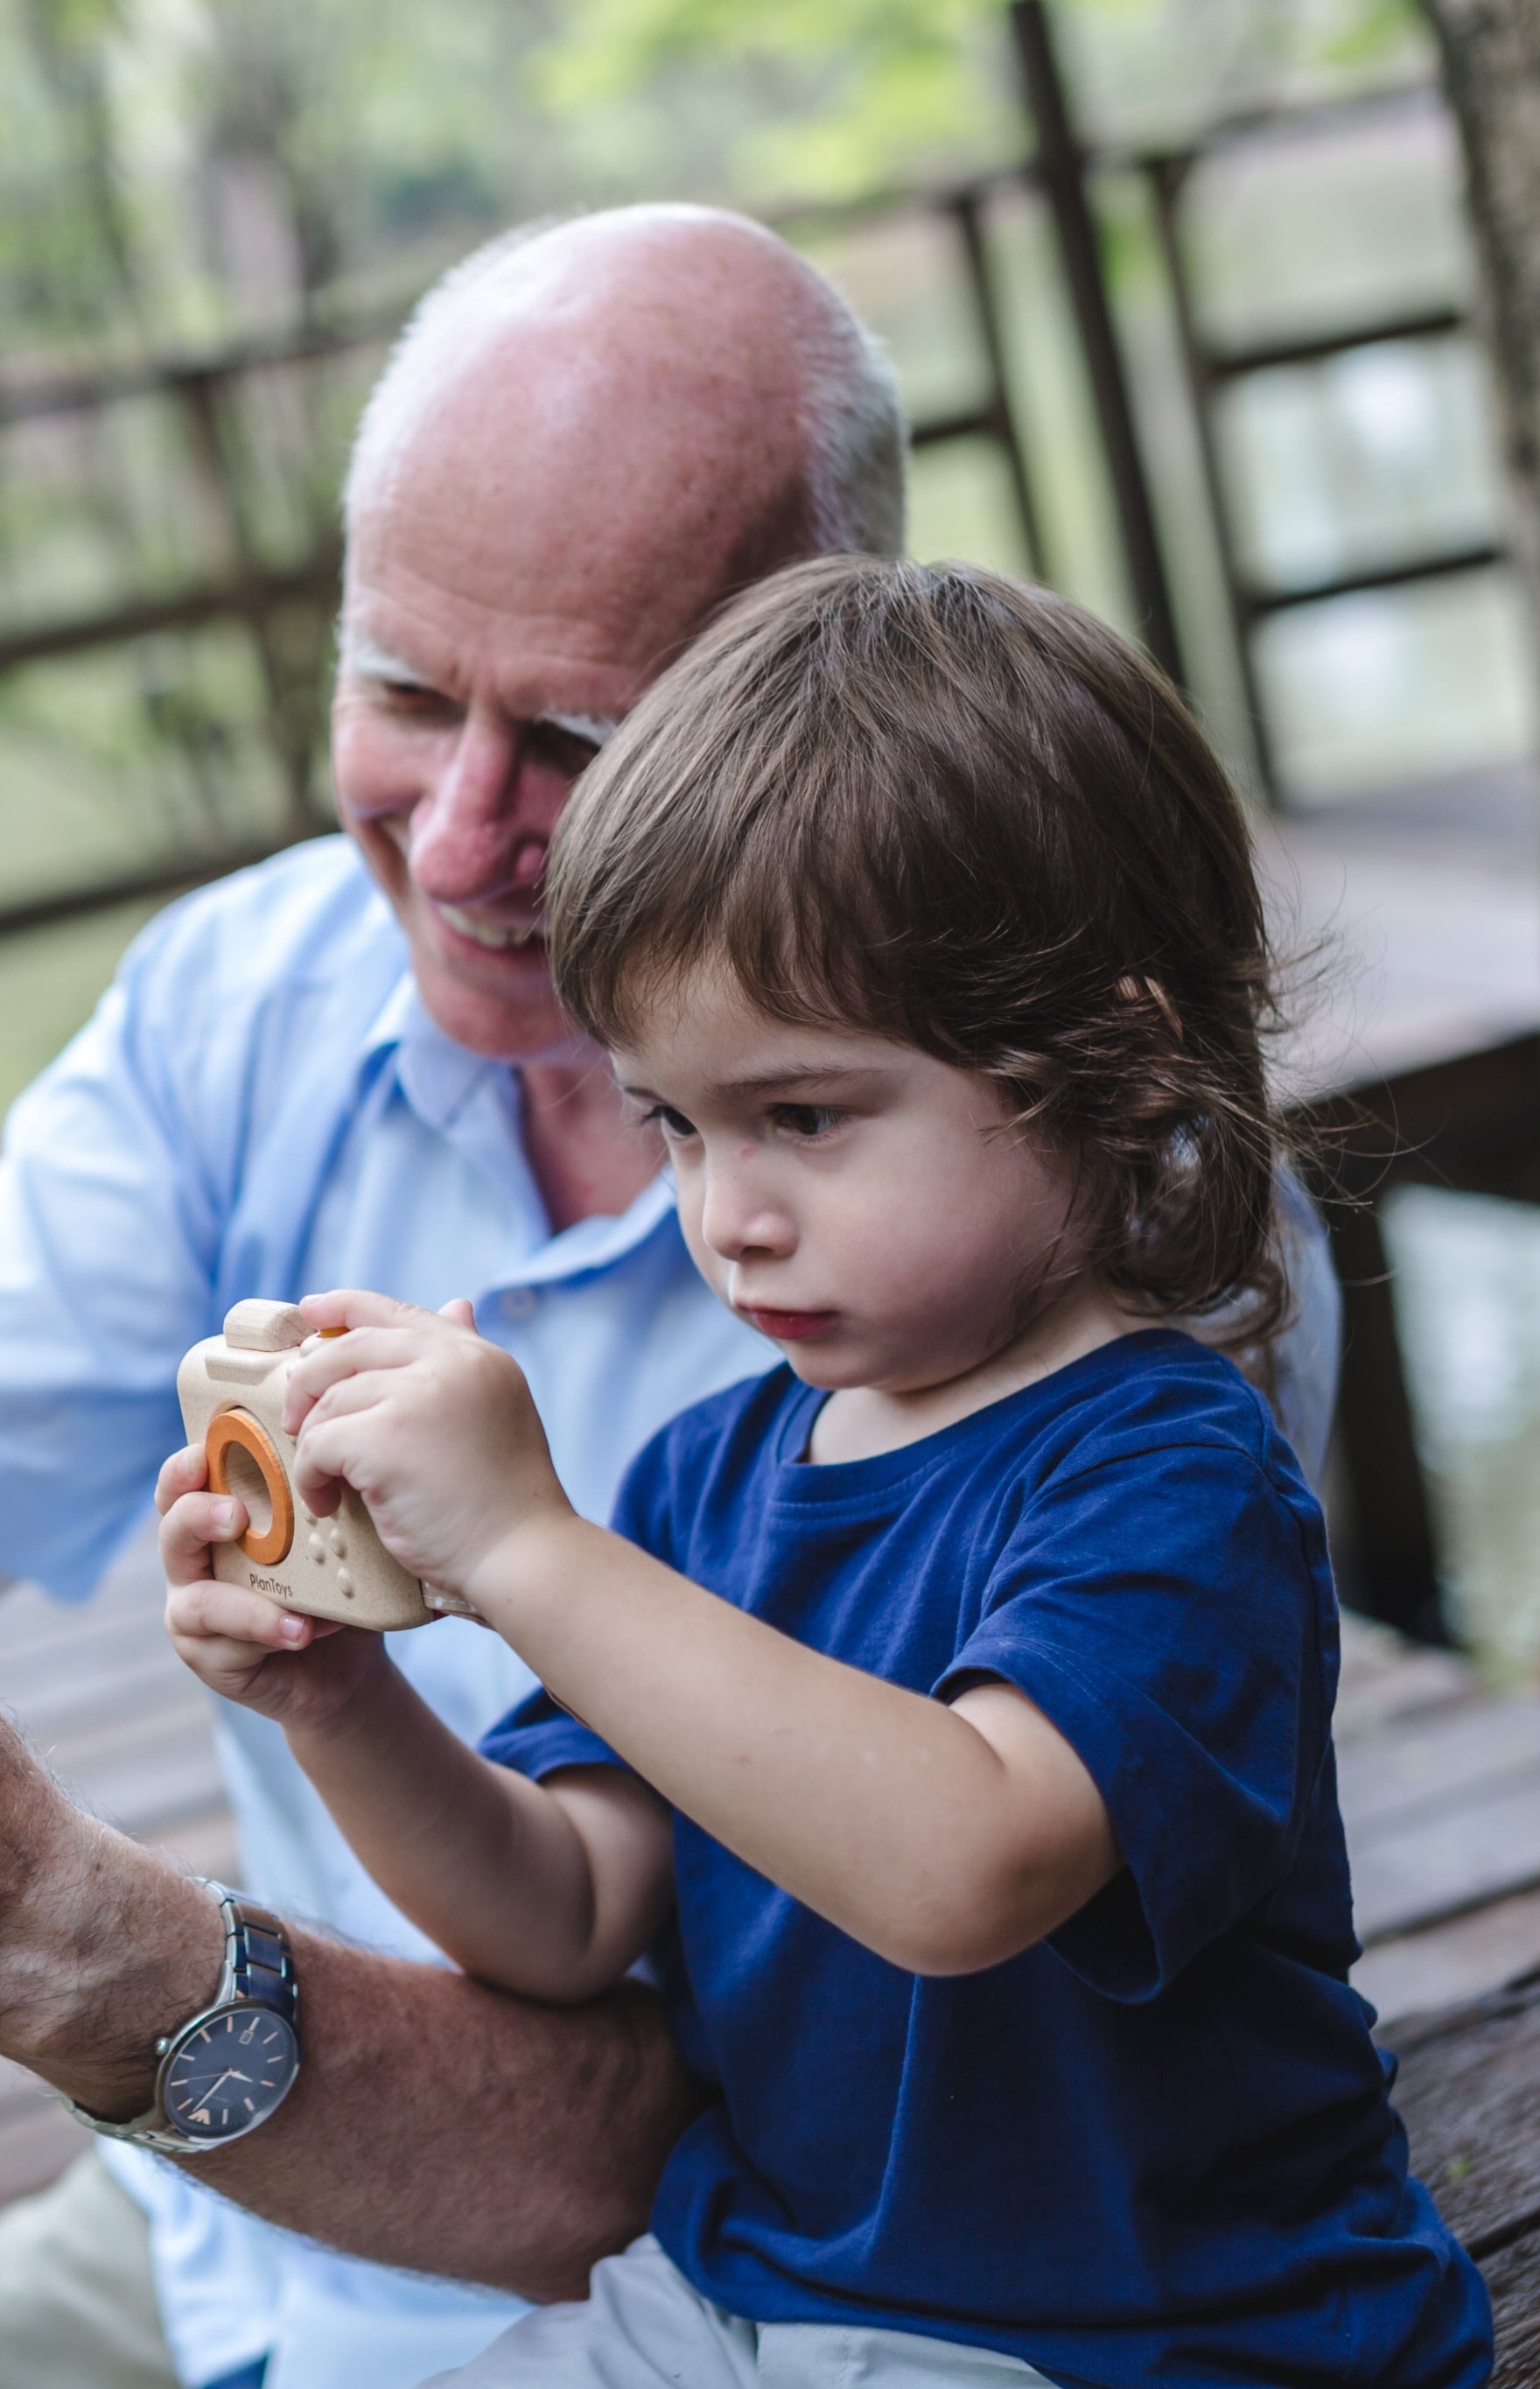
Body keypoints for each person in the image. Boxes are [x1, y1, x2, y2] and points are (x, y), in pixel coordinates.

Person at [0, 212, 1342, 2389]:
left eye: (578, 738)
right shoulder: (294, 1043)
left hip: (805, 2273)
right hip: (287, 2231)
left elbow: (933, 1895)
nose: (464, 835)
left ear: (797, 718)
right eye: (400, 692)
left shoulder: (1141, 1321)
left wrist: (517, 1559)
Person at [162, 557, 1487, 2389]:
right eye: (674, 1128)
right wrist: (347, 1703)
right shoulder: (712, 1478)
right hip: (749, 2298)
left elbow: (972, 1862)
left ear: (1120, 1053)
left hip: (1141, 2343)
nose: (730, 1216)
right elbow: (564, 1912)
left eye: (803, 1117)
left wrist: (533, 1548)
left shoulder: (1169, 1477)